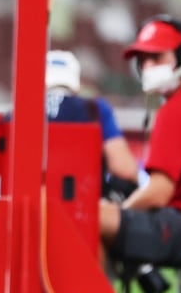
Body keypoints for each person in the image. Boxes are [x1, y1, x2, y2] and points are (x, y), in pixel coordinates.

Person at [99, 16, 181, 271]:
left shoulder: (175, 110)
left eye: (157, 58)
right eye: (142, 60)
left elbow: (159, 192)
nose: (148, 67)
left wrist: (121, 212)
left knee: (91, 218)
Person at [45, 50, 138, 199]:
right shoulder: (95, 109)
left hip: (26, 210)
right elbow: (125, 169)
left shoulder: (19, 112)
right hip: (82, 207)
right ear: (77, 82)